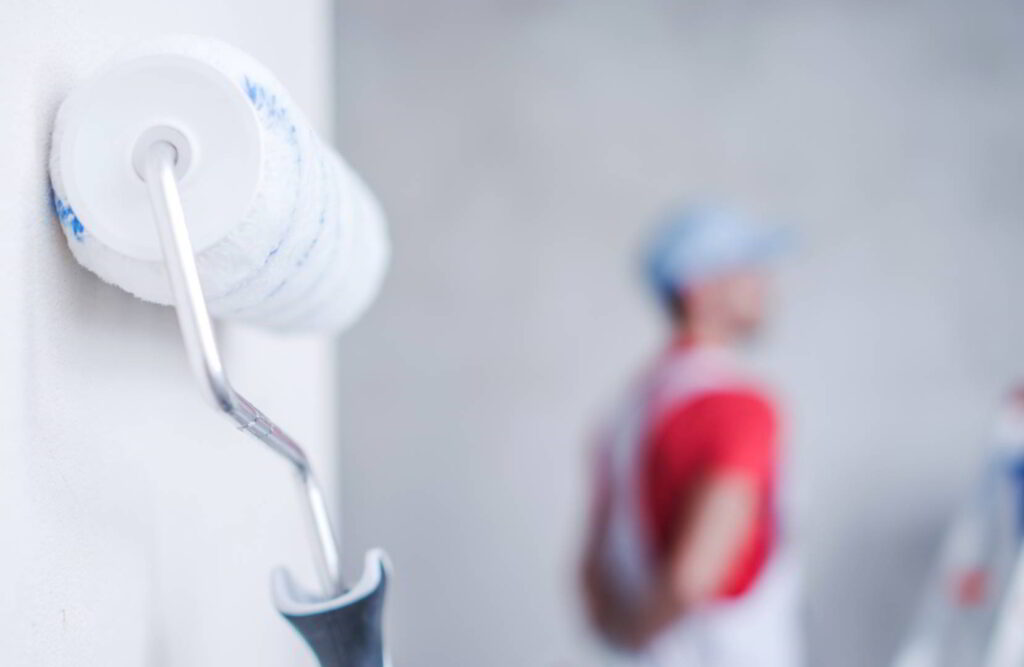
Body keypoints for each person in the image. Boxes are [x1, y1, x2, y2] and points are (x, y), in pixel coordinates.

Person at [580, 206, 802, 666]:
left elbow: (590, 573)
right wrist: (651, 634)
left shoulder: (624, 413)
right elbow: (695, 574)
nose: (764, 282)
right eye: (746, 268)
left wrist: (632, 641)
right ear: (699, 289)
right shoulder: (738, 405)